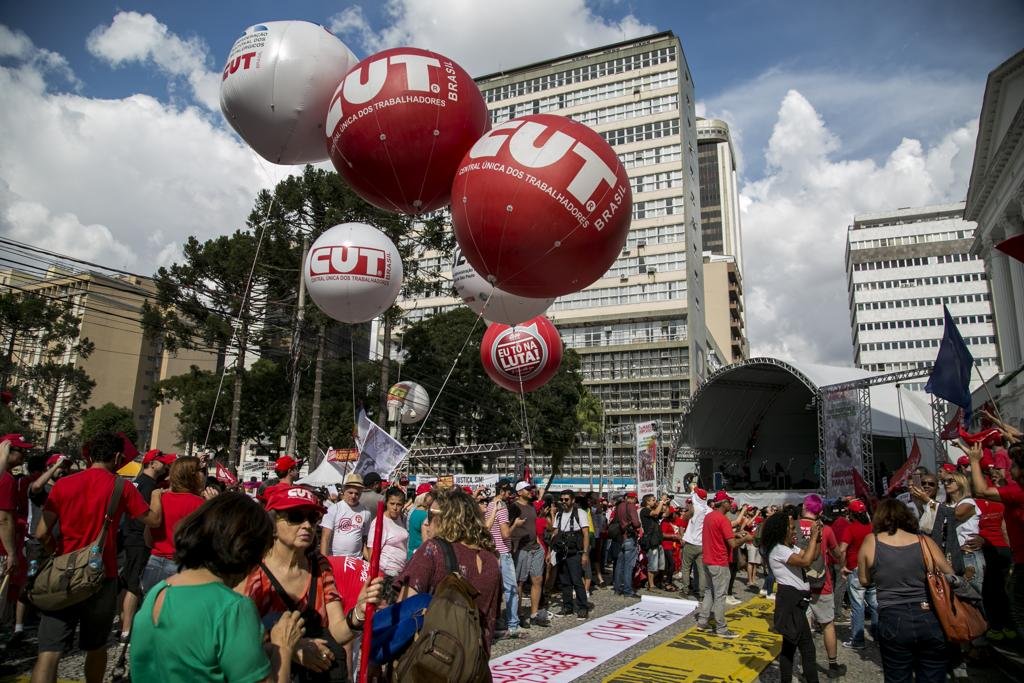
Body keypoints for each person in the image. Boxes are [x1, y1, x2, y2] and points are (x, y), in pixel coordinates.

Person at [130, 492, 305, 682]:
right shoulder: (234, 608)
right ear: (248, 551)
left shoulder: (158, 592)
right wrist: (284, 648)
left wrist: (266, 649)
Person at [31, 432, 164, 683]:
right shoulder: (121, 486)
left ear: (90, 455)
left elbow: (41, 532)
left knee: (49, 652)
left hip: (63, 572)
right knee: (96, 646)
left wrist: (55, 554)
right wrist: (157, 498)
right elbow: (153, 520)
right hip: (102, 573)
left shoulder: (63, 484)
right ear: (116, 457)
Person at [241, 486, 383, 682]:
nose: (307, 525)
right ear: (273, 523)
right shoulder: (251, 569)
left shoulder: (320, 566)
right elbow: (237, 640)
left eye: (313, 518)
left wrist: (359, 612)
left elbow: (339, 633)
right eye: (295, 516)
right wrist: (291, 649)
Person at [396, 488, 502, 655]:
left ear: (446, 520)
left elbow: (403, 612)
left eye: (431, 517)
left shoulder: (432, 550)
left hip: (432, 662)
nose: (426, 523)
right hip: (474, 662)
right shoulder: (492, 560)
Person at [858, 498, 953, 682]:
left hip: (893, 617)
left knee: (897, 676)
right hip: (929, 614)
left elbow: (863, 580)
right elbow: (949, 573)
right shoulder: (924, 541)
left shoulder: (872, 542)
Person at [968, 439, 1024, 640]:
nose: (1010, 468)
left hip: (1021, 563)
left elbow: (982, 491)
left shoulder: (1017, 492)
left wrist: (974, 461)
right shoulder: (1015, 491)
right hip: (1015, 558)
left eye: (1014, 465)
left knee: (1019, 613)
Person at [118, 448, 176, 641]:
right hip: (139, 538)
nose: (166, 465)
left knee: (128, 581)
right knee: (134, 585)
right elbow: (150, 517)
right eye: (163, 462)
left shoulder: (138, 482)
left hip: (130, 536)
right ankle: (127, 630)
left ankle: (123, 623)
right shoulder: (149, 486)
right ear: (152, 463)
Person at [762, 510, 821, 683]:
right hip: (791, 602)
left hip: (795, 601)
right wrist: (812, 538)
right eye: (791, 528)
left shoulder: (788, 548)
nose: (794, 531)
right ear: (781, 530)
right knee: (807, 648)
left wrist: (817, 539)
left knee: (789, 646)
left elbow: (813, 555)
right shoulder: (778, 549)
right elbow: (805, 562)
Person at [140, 456, 208, 593]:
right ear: (193, 475)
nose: (205, 475)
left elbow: (147, 539)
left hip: (153, 564)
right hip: (181, 567)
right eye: (203, 471)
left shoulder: (160, 499)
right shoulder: (201, 505)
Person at [798, 493, 843, 678]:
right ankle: (832, 666)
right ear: (821, 511)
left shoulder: (794, 527)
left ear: (803, 508)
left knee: (804, 627)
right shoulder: (827, 530)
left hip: (799, 584)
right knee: (827, 625)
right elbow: (837, 554)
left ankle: (805, 667)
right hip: (822, 583)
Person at [697, 489, 752, 638]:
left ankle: (702, 622)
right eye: (729, 501)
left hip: (707, 559)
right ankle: (721, 628)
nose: (732, 504)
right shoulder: (724, 520)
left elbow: (719, 533)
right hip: (719, 561)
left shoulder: (709, 517)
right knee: (720, 595)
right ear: (725, 503)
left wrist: (734, 534)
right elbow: (733, 544)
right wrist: (745, 539)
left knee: (710, 591)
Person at [975, 448, 1015, 641]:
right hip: (991, 550)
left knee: (995, 590)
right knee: (998, 590)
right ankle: (1003, 626)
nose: (994, 474)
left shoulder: (1003, 498)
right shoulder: (979, 501)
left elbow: (1005, 528)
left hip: (998, 550)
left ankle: (1002, 626)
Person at [0, 434, 32, 624]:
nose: (24, 455)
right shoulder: (6, 479)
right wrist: (12, 553)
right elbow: (4, 519)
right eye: (21, 451)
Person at [839, 499, 876, 650]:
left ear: (851, 514)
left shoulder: (850, 528)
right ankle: (878, 636)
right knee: (875, 604)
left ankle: (857, 640)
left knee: (857, 605)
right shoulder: (872, 527)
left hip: (855, 569)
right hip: (872, 569)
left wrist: (842, 567)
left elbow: (842, 549)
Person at [510, 481, 549, 627]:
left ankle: (534, 614)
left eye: (530, 489)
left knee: (537, 580)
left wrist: (540, 545)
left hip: (535, 547)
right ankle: (519, 613)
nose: (529, 491)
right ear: (519, 492)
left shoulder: (532, 506)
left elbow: (533, 527)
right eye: (527, 489)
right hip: (521, 548)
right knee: (520, 582)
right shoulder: (514, 507)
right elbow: (507, 528)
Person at [485, 479, 520, 637]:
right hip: (503, 552)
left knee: (495, 590)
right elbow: (505, 533)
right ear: (503, 491)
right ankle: (513, 623)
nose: (510, 495)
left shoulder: (490, 505)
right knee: (511, 589)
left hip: (491, 552)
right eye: (508, 492)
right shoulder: (502, 508)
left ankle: (496, 620)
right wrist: (515, 525)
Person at [551, 489, 590, 619]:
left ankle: (583, 607)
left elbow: (585, 534)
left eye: (566, 499)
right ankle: (567, 606)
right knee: (564, 581)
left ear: (573, 500)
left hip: (575, 552)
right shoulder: (559, 515)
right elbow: (555, 533)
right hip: (562, 552)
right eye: (561, 500)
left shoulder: (580, 513)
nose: (563, 502)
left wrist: (585, 554)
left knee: (577, 580)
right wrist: (550, 552)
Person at [320, 473, 370, 559]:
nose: (353, 496)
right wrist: (323, 563)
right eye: (350, 493)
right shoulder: (334, 509)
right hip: (335, 558)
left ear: (361, 493)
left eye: (357, 493)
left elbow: (364, 540)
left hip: (356, 560)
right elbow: (325, 537)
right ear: (344, 490)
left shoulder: (366, 512)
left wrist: (369, 560)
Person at [365, 486, 409, 577]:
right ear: (386, 503)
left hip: (400, 569)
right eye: (392, 503)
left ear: (403, 505)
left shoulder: (401, 518)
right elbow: (372, 554)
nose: (395, 508)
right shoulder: (379, 522)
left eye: (399, 504)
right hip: (386, 571)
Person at [680, 483, 709, 600]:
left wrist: (693, 488)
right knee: (702, 570)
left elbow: (693, 498)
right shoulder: (707, 509)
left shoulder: (695, 507)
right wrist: (694, 491)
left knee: (686, 567)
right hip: (702, 544)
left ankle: (685, 590)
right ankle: (702, 594)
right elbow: (695, 497)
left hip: (691, 542)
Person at [612, 491, 642, 597]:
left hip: (620, 537)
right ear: (633, 498)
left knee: (619, 565)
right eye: (635, 499)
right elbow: (636, 523)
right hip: (629, 537)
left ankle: (617, 588)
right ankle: (628, 590)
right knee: (628, 566)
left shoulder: (619, 506)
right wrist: (638, 524)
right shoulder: (631, 506)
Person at [639, 493, 667, 592]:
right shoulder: (644, 510)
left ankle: (652, 582)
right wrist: (661, 502)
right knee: (653, 564)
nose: (655, 501)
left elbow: (664, 514)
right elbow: (655, 513)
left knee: (661, 565)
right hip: (651, 541)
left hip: (658, 541)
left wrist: (665, 503)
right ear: (647, 501)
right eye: (653, 500)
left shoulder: (652, 510)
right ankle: (651, 585)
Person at [407, 484, 434, 559]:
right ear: (425, 496)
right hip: (421, 554)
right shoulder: (425, 515)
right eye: (431, 494)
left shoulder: (413, 511)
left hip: (411, 552)